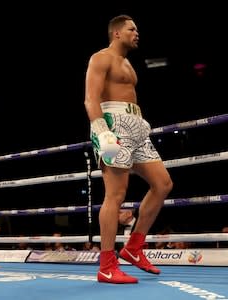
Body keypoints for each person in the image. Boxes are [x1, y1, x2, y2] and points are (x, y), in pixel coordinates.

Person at [84, 15, 173, 284]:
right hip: (113, 124)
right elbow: (90, 98)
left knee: (163, 184)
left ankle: (134, 247)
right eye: (132, 29)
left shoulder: (128, 63)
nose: (137, 33)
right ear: (117, 33)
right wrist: (102, 132)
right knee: (116, 193)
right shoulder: (101, 58)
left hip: (136, 126)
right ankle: (107, 264)